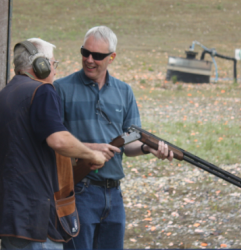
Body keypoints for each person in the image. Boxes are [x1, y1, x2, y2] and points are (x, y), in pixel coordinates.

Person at [54, 26, 174, 250]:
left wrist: (150, 149)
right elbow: (54, 141)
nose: (89, 60)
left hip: (114, 193)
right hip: (79, 190)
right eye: (85, 52)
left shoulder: (124, 91)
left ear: (112, 57)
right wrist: (90, 150)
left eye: (97, 56)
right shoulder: (61, 88)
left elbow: (130, 143)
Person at [0, 38, 106, 250]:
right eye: (53, 63)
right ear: (41, 65)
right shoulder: (42, 91)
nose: (54, 70)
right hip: (37, 220)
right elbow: (58, 139)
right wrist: (92, 155)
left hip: (12, 217)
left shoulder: (6, 94)